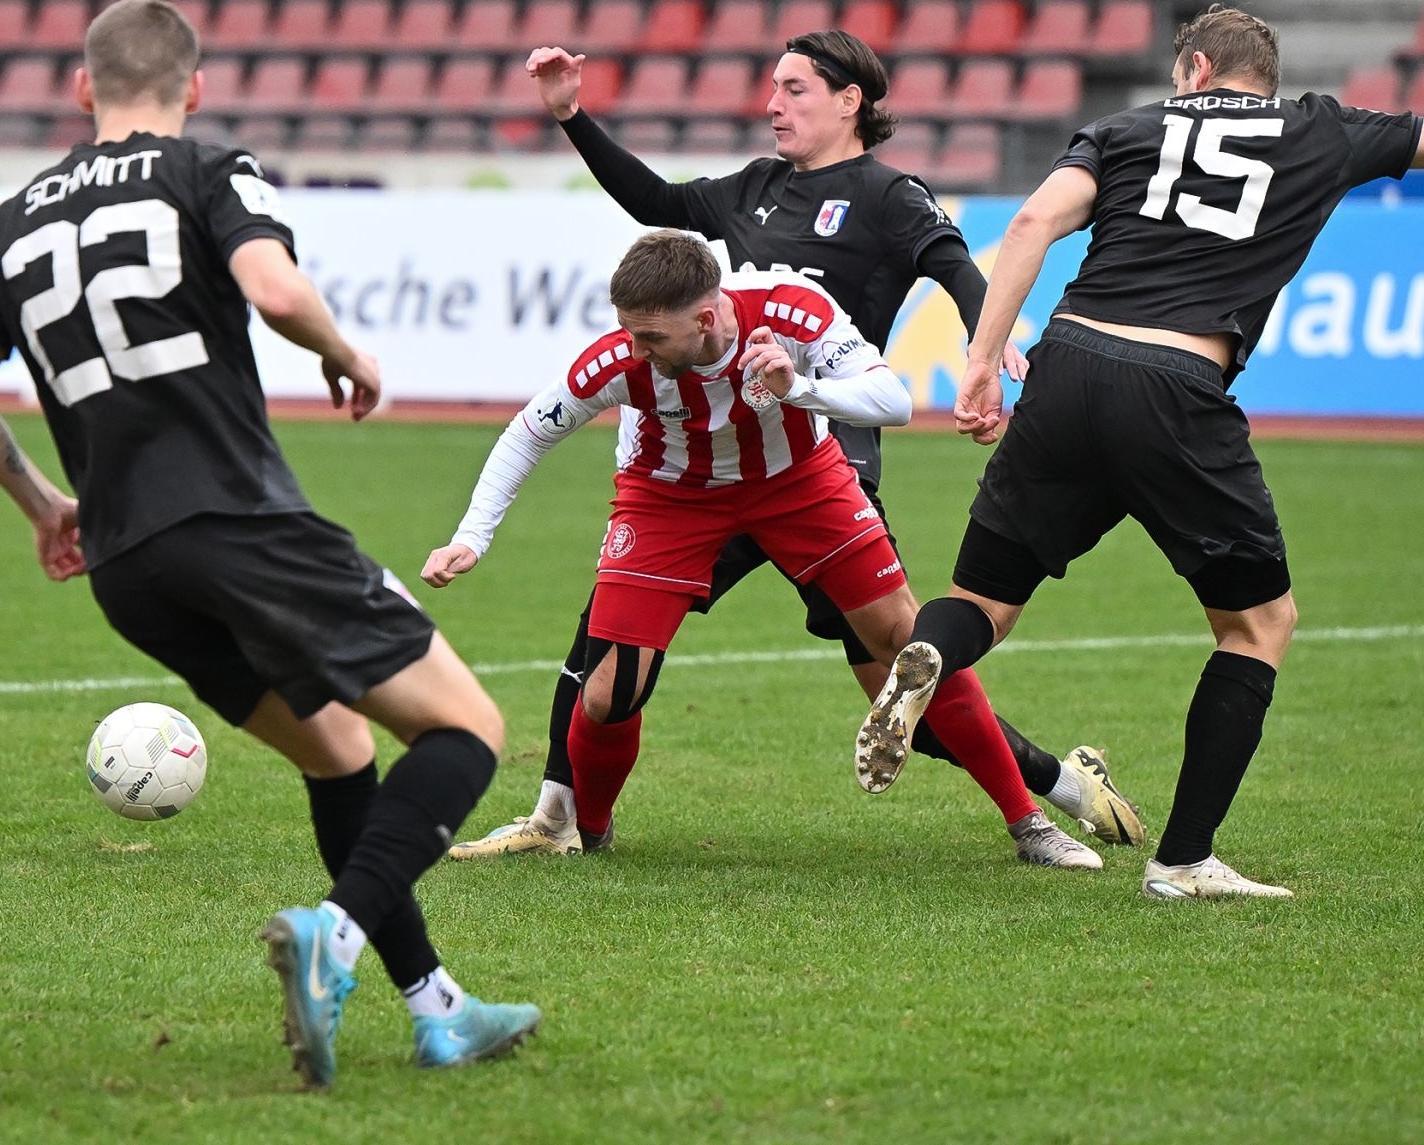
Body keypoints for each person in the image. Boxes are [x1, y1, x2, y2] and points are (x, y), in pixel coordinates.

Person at [861, 4, 1424, 899]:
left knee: (981, 601)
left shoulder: (1126, 128)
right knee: (1258, 625)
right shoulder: (1318, 130)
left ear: (1196, 70)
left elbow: (1028, 226)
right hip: (1175, 385)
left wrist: (982, 360)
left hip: (1069, 366)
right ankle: (1182, 861)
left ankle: (929, 657)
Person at [0, 0, 541, 1088]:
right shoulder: (208, 169)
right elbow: (272, 287)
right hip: (234, 519)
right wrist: (346, 352)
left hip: (126, 563)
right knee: (467, 728)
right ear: (195, 88)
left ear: (83, 87)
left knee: (338, 752)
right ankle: (333, 937)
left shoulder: (5, 223)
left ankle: (438, 1009)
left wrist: (46, 505)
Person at [444, 30, 1142, 861]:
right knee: (607, 648)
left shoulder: (888, 195)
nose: (773, 104)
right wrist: (572, 117)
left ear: (850, 101)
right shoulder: (755, 187)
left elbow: (953, 264)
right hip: (701, 460)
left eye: (794, 88)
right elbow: (653, 201)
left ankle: (1061, 786)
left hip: (822, 450)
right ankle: (558, 818)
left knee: (900, 679)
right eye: (773, 88)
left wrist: (985, 348)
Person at [422, 229, 1106, 869]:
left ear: (706, 318)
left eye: (652, 335)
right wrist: (471, 537)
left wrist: (798, 388)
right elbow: (529, 431)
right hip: (669, 499)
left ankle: (1029, 822)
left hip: (801, 485)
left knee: (908, 645)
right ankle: (586, 830)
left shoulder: (791, 309)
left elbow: (893, 401)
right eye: (630, 331)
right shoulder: (619, 358)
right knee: (609, 691)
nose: (636, 348)